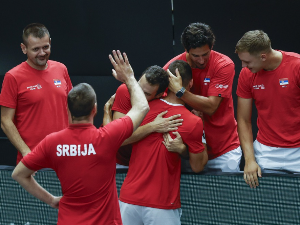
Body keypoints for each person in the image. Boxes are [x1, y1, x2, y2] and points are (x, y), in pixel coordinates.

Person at [11, 50, 150, 224]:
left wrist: (52, 200)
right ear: (95, 109)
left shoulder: (52, 142)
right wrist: (129, 77)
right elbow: (142, 107)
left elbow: (19, 174)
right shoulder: (107, 137)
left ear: (67, 109)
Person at [119, 60, 208, 225]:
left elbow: (118, 138)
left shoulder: (142, 107)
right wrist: (189, 144)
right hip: (162, 205)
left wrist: (181, 148)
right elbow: (198, 166)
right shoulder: (193, 121)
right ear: (191, 83)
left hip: (128, 200)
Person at [164, 22, 241, 172]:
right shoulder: (171, 68)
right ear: (186, 50)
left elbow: (211, 107)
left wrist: (180, 91)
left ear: (211, 47)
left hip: (224, 150)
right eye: (195, 56)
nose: (201, 60)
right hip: (188, 152)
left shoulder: (223, 65)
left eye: (205, 54)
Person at [0, 23, 72, 165]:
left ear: (50, 42)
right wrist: (26, 152)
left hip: (65, 155)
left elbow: (71, 107)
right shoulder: (13, 76)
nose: (42, 53)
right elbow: (5, 121)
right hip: (33, 160)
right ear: (23, 48)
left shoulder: (61, 68)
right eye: (36, 49)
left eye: (45, 47)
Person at [235, 30, 300, 188]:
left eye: (247, 62)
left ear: (263, 56)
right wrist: (250, 160)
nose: (243, 66)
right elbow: (243, 120)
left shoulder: (297, 66)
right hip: (266, 153)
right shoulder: (246, 74)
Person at [110, 66, 183, 167]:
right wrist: (153, 126)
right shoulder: (125, 90)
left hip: (143, 162)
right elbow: (118, 138)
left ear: (159, 95)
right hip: (117, 160)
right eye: (138, 87)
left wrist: (182, 148)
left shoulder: (165, 101)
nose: (138, 93)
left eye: (146, 94)